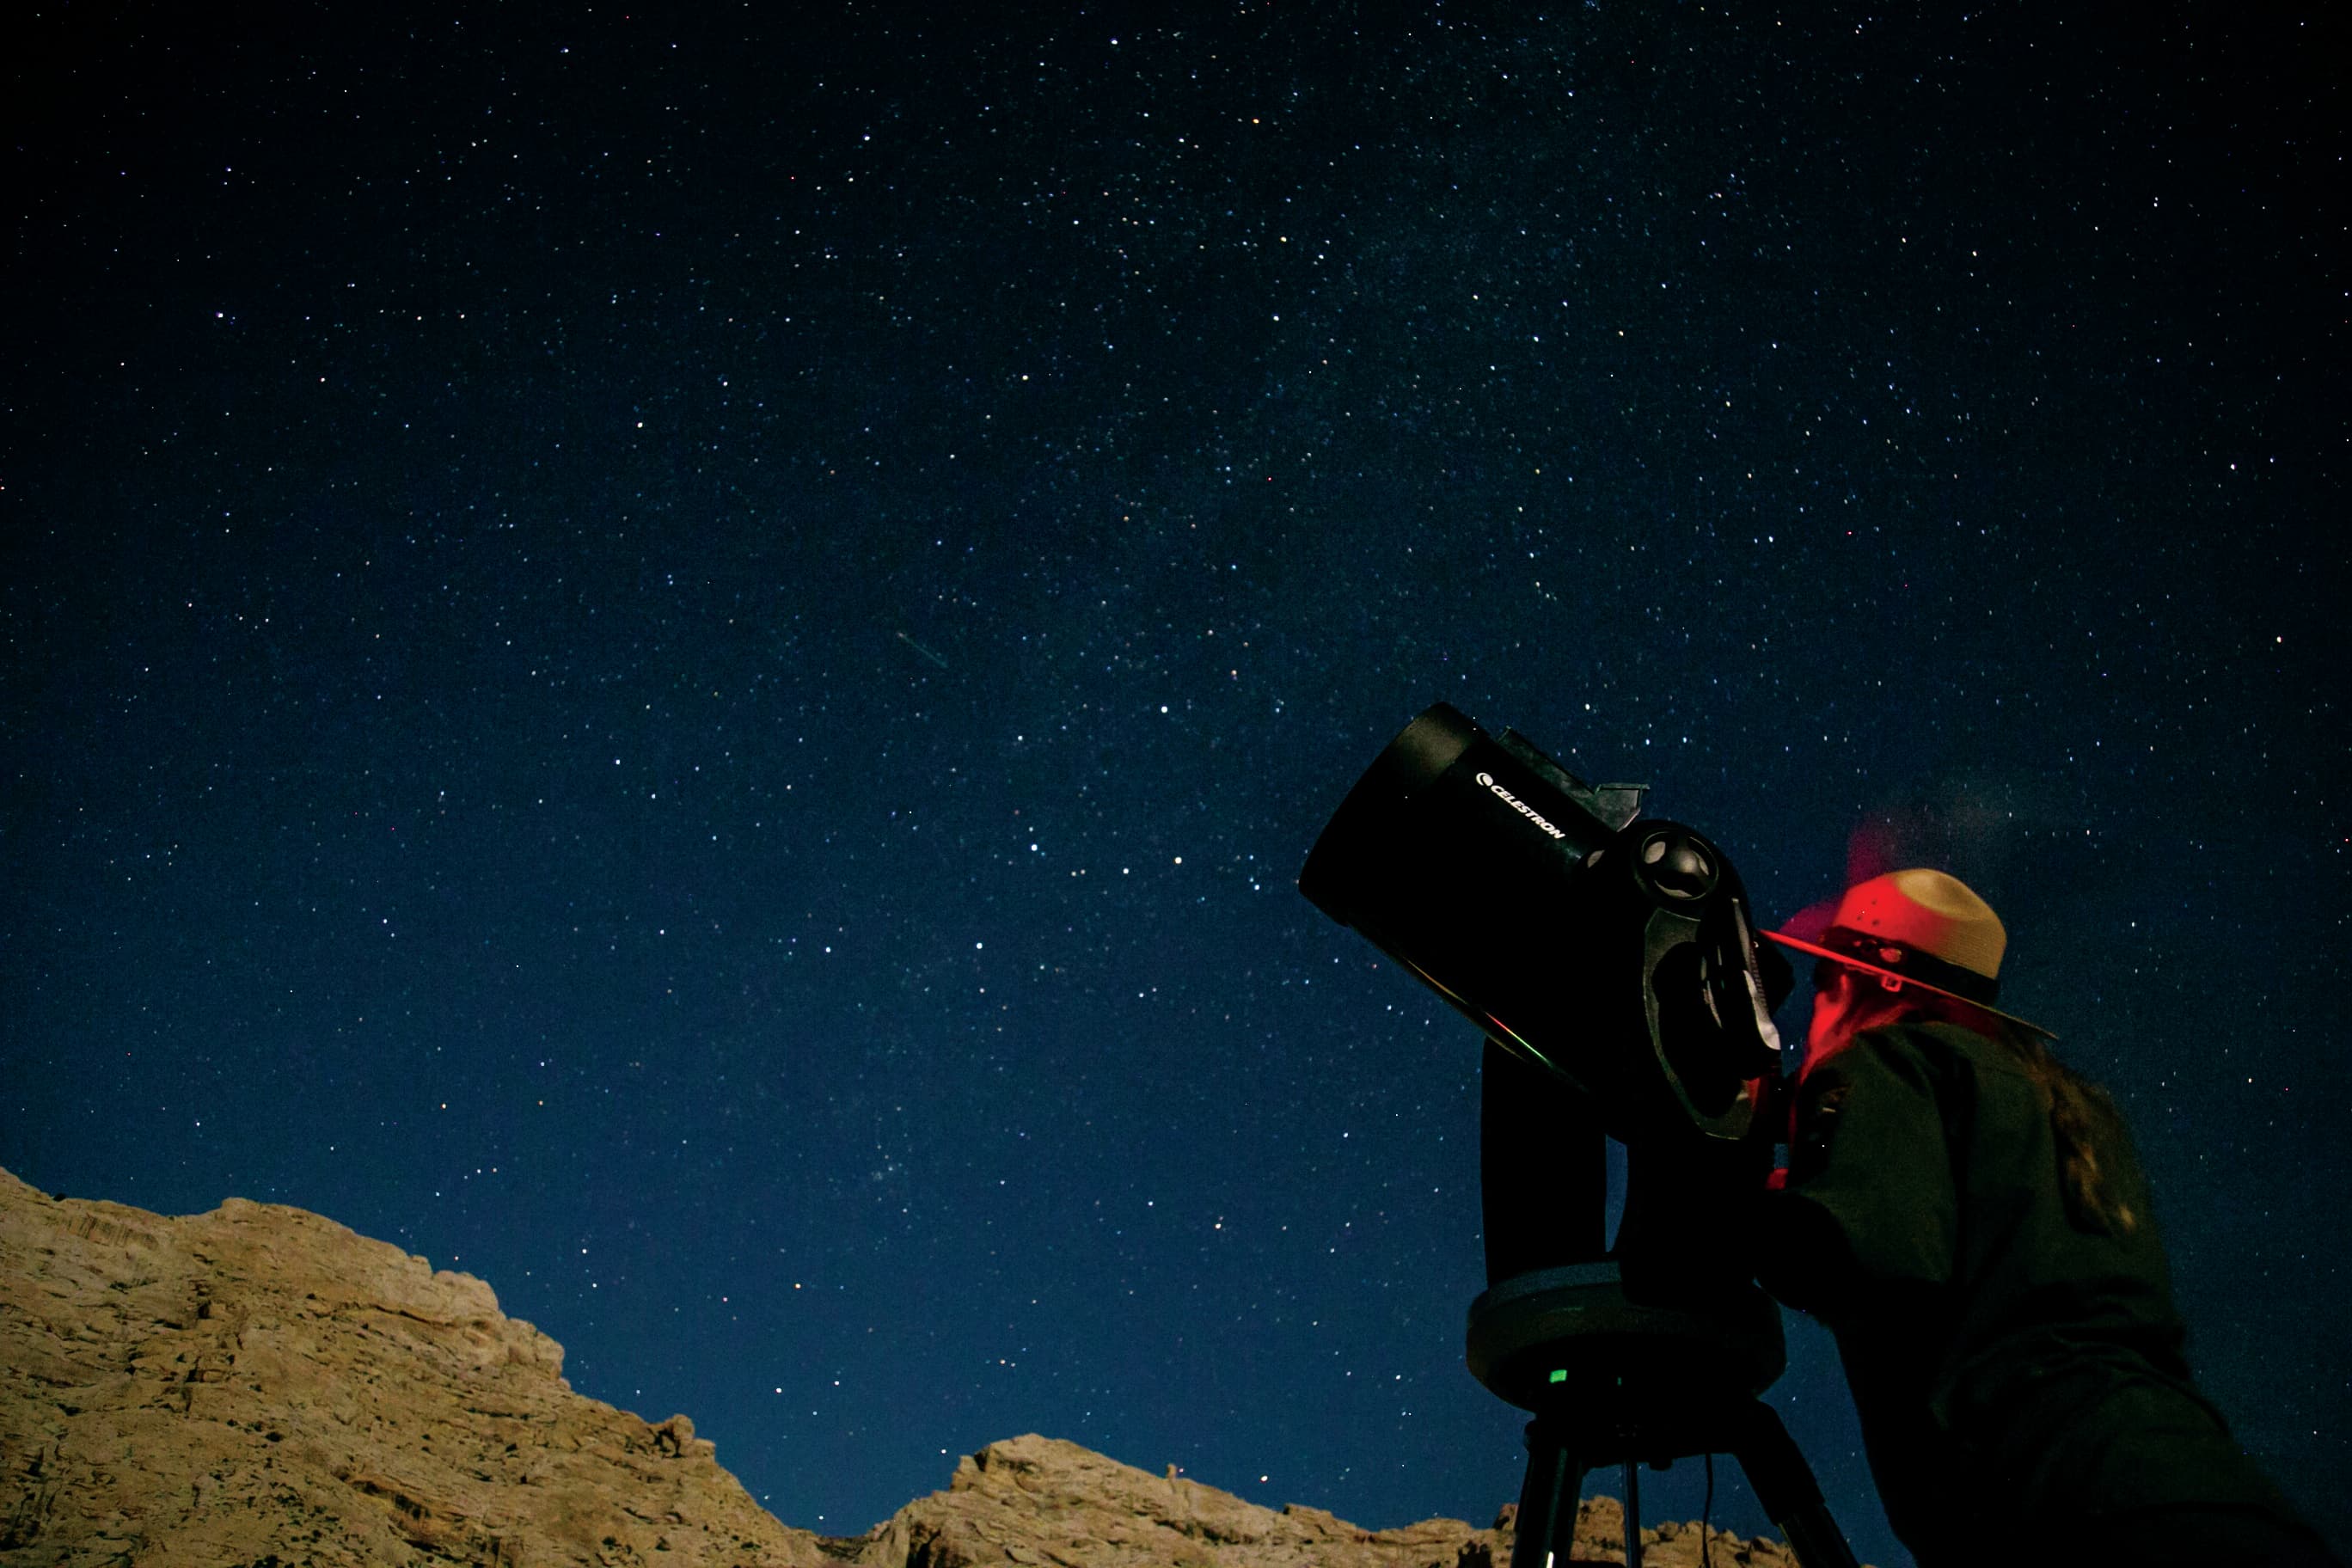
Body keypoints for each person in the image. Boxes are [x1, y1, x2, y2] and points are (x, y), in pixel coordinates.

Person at [1756, 867, 2340, 1567]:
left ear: (1866, 984)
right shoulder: (2066, 1101)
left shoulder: (1889, 1058)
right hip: (2194, 1478)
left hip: (2052, 1503)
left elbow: (1864, 1257)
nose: (1813, 1009)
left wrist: (1749, 1213)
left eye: (1824, 979)